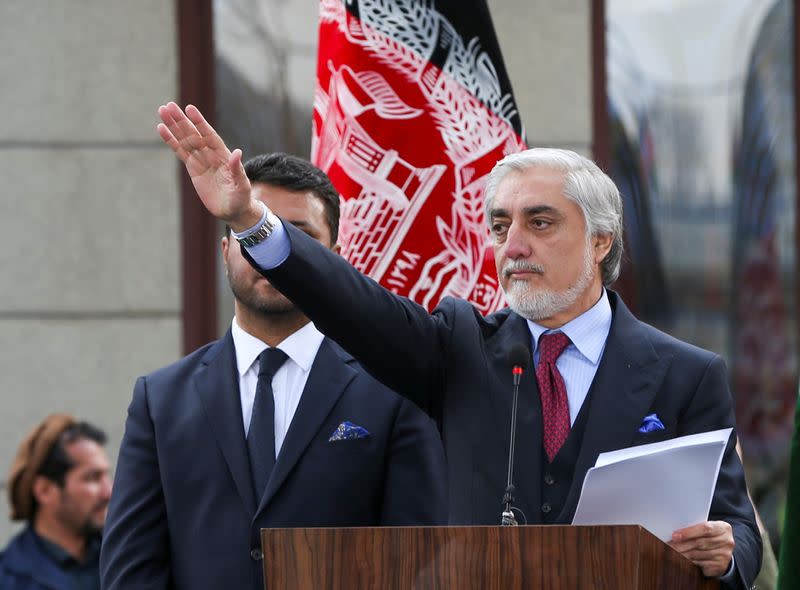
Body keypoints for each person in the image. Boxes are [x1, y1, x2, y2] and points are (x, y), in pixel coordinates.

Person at [156, 102, 762, 589]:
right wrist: (251, 222)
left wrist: (725, 550)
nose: (513, 244)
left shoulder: (687, 374)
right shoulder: (460, 347)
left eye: (540, 222)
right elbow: (353, 304)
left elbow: (738, 530)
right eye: (501, 226)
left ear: (601, 242)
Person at [99, 152, 448, 590]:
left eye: (297, 239)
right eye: (250, 235)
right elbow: (131, 572)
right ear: (225, 250)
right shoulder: (161, 399)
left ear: (333, 260)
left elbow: (418, 563)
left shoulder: (394, 390)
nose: (268, 256)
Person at [0, 414, 112, 590]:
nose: (109, 492)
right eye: (92, 478)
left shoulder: (123, 559)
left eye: (107, 476)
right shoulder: (9, 580)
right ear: (44, 491)